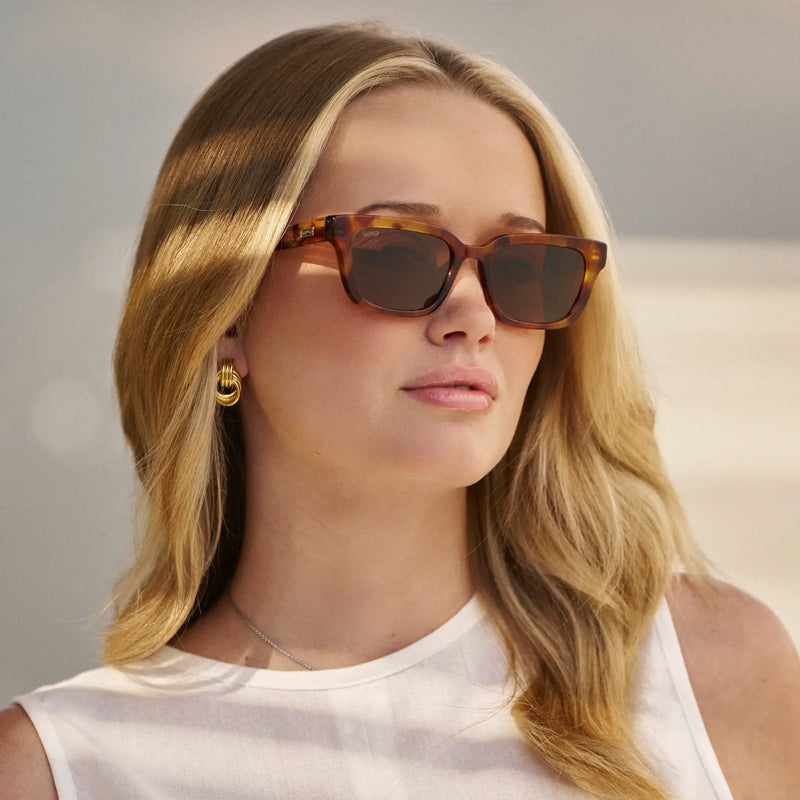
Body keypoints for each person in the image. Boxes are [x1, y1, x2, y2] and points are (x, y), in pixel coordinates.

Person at [1, 22, 798, 800]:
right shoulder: (61, 767)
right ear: (227, 317)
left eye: (523, 269)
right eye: (397, 253)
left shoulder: (708, 673)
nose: (474, 314)